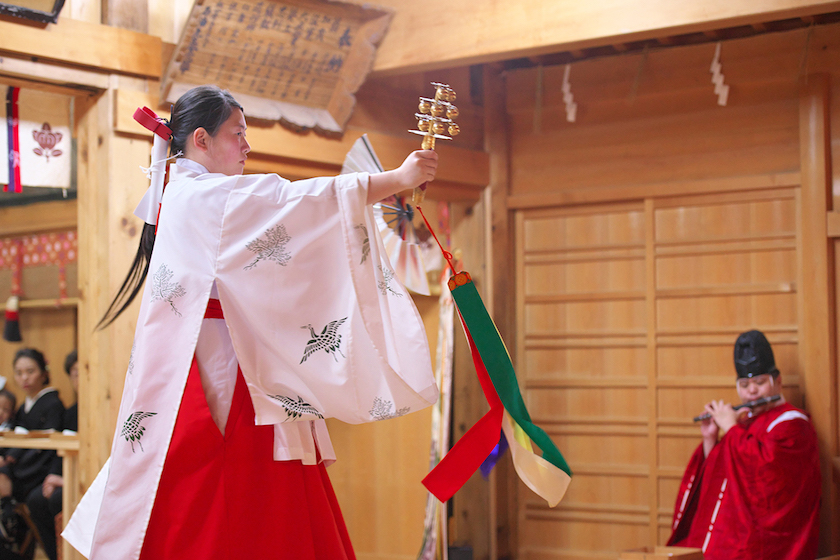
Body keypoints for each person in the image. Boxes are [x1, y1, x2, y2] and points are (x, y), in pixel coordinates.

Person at [64, 85, 439, 560]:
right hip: (218, 363)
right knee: (238, 486)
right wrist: (395, 178)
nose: (246, 146)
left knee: (213, 484)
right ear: (201, 139)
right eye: (237, 134)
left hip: (213, 353)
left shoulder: (185, 193)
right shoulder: (201, 197)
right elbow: (290, 201)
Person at [667, 330, 821, 559]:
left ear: (777, 382)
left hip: (759, 545)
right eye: (744, 384)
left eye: (759, 382)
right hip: (726, 536)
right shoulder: (744, 423)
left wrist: (731, 429)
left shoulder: (793, 425)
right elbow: (720, 478)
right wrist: (711, 439)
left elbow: (764, 478)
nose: (752, 391)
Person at [0, 349, 64, 546]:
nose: (24, 378)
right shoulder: (23, 406)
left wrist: (9, 464)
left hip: (37, 473)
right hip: (21, 470)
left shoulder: (52, 403)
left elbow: (48, 448)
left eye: (30, 371)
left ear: (44, 373)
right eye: (18, 373)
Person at [26, 350, 77, 560]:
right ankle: (54, 555)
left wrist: (65, 480)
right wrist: (54, 477)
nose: (80, 379)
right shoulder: (72, 411)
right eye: (74, 373)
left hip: (84, 477)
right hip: (65, 473)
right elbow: (60, 450)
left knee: (58, 500)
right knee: (36, 499)